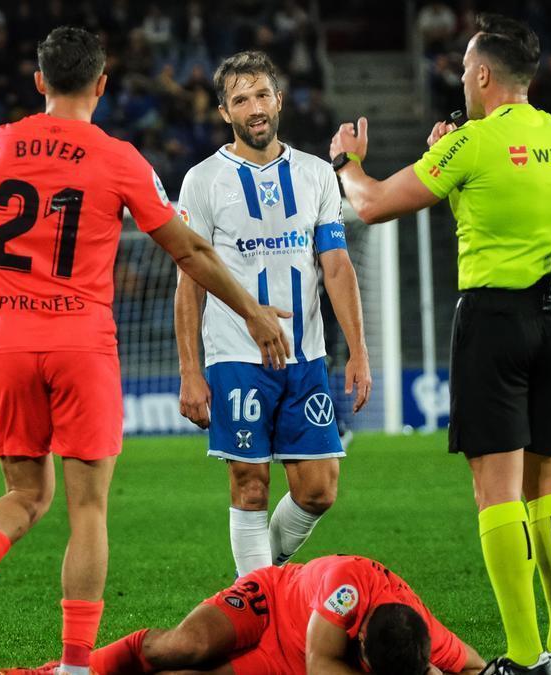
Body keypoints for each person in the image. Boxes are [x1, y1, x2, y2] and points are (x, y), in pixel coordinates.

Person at [0, 27, 291, 675]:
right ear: (102, 85)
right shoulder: (118, 159)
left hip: (5, 338)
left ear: (39, 80)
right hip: (79, 340)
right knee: (88, 507)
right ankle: (76, 666)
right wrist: (252, 311)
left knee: (24, 492)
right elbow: (188, 249)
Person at [327, 13, 551, 675]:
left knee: (495, 488)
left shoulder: (472, 143)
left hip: (494, 317)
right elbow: (508, 201)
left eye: (465, 72)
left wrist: (346, 163)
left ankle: (524, 654)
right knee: (548, 477)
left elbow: (373, 204)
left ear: (481, 75)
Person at [174, 51, 371, 580]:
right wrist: (190, 371)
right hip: (235, 356)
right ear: (225, 112)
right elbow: (189, 282)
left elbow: (336, 266)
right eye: (241, 99)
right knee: (250, 485)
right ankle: (259, 608)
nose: (255, 108)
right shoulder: (203, 180)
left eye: (262, 95)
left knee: (319, 489)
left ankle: (258, 580)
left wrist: (358, 350)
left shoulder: (314, 175)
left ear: (279, 100)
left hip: (306, 357)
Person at [0, 554, 486, 675]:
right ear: (360, 642)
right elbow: (320, 664)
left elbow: (475, 665)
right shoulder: (347, 588)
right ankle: (60, 671)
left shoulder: (428, 634)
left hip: (285, 664)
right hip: (273, 602)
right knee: (184, 647)